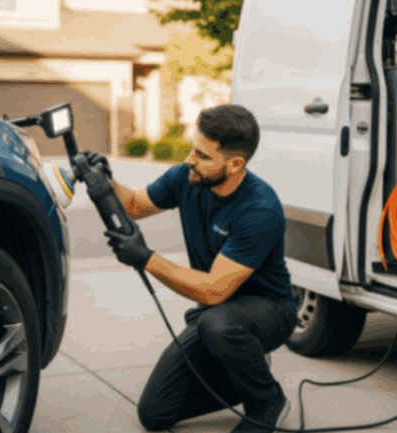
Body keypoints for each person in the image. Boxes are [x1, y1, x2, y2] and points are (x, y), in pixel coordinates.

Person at [88, 104, 299, 433]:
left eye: (202, 155)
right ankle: (245, 370)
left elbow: (214, 290)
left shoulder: (259, 208)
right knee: (154, 413)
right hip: (216, 316)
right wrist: (104, 180)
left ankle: (267, 401)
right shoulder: (187, 178)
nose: (190, 159)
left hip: (268, 310)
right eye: (192, 149)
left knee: (219, 323)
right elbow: (133, 205)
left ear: (235, 164)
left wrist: (146, 258)